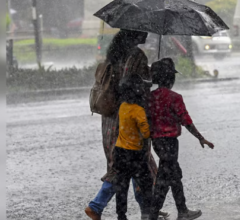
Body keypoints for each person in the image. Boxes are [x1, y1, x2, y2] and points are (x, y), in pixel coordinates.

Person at [85, 30, 168, 220]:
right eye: (143, 30)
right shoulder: (136, 56)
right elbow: (135, 86)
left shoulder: (113, 54)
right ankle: (97, 206)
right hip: (130, 119)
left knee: (126, 164)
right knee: (135, 166)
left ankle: (147, 208)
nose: (147, 33)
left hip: (111, 119)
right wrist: (153, 77)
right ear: (134, 34)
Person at [149, 58, 215, 220]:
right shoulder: (174, 97)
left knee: (170, 175)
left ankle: (168, 211)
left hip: (156, 143)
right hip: (170, 143)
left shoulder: (149, 97)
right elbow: (186, 120)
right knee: (168, 176)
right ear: (171, 78)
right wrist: (200, 138)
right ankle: (174, 212)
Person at [114, 74, 154, 220]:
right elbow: (146, 133)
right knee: (146, 183)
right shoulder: (139, 110)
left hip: (119, 152)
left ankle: (121, 215)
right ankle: (147, 212)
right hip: (135, 154)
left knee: (122, 187)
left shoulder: (122, 107)